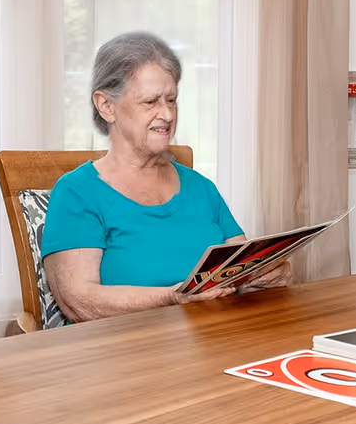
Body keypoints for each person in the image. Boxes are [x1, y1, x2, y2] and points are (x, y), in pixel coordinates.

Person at [42, 31, 288, 321]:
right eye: (150, 102)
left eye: (171, 100)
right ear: (106, 106)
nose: (168, 115)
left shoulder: (201, 188)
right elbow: (79, 302)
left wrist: (262, 275)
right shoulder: (76, 193)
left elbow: (237, 271)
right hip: (123, 355)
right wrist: (172, 297)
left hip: (213, 344)